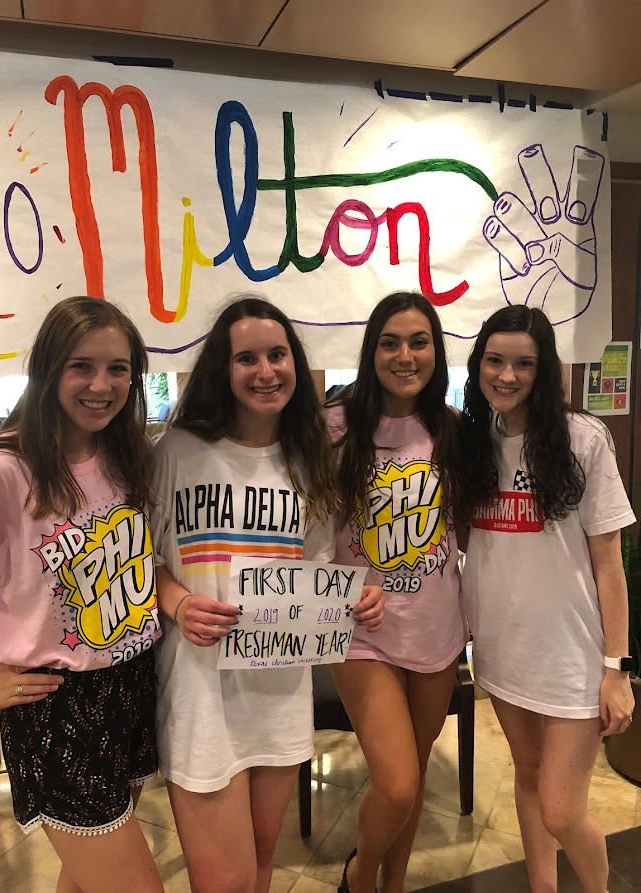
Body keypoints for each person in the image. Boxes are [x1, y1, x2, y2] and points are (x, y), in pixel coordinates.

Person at [150, 295, 384, 893]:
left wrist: (354, 600)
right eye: (246, 358)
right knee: (222, 880)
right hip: (200, 692)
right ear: (221, 371)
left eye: (277, 355)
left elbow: (317, 567)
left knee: (259, 862)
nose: (265, 371)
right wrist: (178, 602)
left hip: (278, 692)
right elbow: (138, 564)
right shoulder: (177, 451)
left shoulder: (308, 461)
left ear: (295, 364)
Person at [0, 296, 163, 893]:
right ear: (48, 369)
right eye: (82, 366)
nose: (102, 385)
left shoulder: (127, 457)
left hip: (131, 685)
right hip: (58, 705)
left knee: (84, 879)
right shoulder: (3, 472)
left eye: (119, 368)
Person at [460, 304, 635, 893]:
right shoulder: (474, 443)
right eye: (495, 360)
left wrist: (617, 668)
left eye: (524, 364)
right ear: (478, 363)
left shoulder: (584, 439)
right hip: (503, 653)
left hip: (572, 660)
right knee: (529, 776)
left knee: (563, 808)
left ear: (544, 369)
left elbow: (610, 566)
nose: (506, 376)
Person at [324, 291, 468, 893]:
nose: (405, 355)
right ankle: (360, 877)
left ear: (435, 351)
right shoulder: (334, 427)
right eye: (390, 342)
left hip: (437, 629)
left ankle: (395, 884)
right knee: (401, 782)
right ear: (370, 351)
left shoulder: (454, 430)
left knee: (409, 776)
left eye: (418, 342)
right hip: (360, 631)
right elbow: (301, 526)